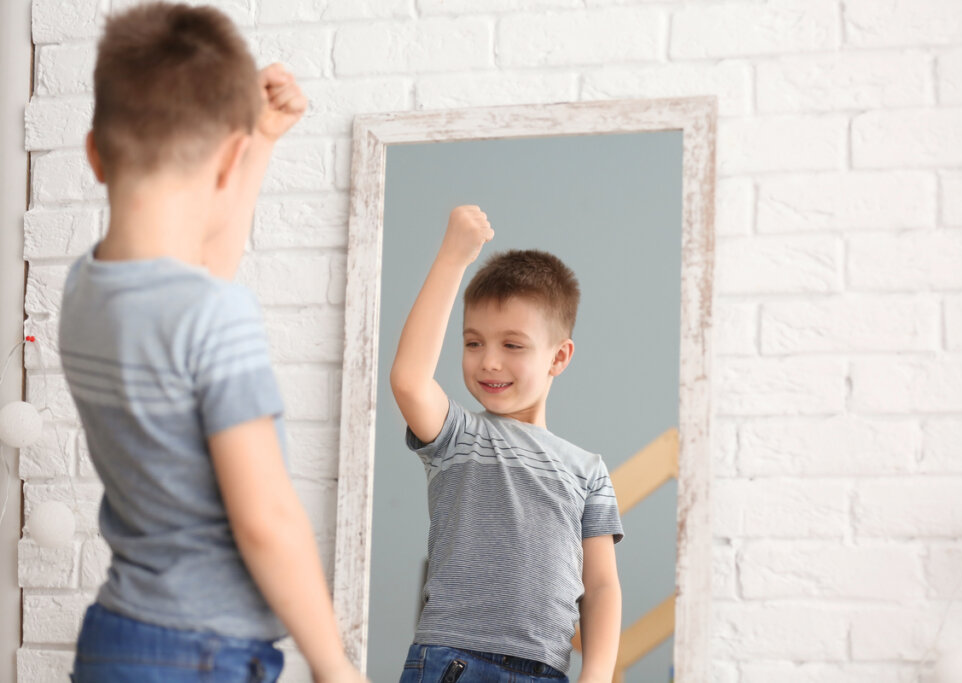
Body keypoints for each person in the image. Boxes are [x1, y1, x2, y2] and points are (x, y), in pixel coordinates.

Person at [58, 4, 362, 682]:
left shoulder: (85, 288)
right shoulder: (213, 316)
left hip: (115, 638)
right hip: (200, 653)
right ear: (227, 158)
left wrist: (258, 141)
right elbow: (266, 519)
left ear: (94, 154)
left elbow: (194, 277)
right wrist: (332, 661)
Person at [390, 205, 624, 683]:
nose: (488, 362)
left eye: (512, 345)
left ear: (559, 356)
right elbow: (410, 380)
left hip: (547, 671)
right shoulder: (458, 436)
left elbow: (600, 587)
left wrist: (596, 675)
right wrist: (453, 257)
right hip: (453, 662)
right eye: (474, 343)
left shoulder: (587, 470)